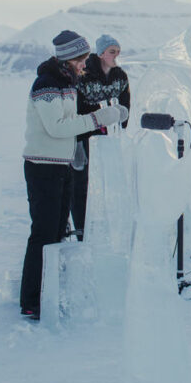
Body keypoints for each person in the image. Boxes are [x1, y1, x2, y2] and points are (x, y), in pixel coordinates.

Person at [19, 30, 128, 320]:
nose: (85, 64)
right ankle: (32, 300)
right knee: (43, 234)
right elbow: (57, 127)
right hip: (43, 168)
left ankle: (51, 292)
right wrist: (97, 119)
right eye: (82, 59)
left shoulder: (68, 84)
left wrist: (101, 122)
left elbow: (71, 123)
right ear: (69, 59)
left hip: (61, 165)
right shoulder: (47, 85)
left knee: (57, 233)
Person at [71, 34, 131, 240]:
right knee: (81, 181)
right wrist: (78, 142)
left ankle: (103, 223)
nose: (116, 55)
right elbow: (76, 107)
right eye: (112, 51)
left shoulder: (119, 76)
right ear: (101, 53)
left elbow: (125, 101)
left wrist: (123, 127)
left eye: (118, 52)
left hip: (104, 128)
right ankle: (80, 227)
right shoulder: (85, 75)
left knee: (105, 178)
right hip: (83, 126)